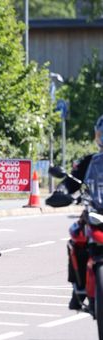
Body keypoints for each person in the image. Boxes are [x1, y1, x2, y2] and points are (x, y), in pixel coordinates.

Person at [47, 114, 103, 311]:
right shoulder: (89, 161)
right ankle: (78, 290)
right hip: (96, 210)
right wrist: (62, 192)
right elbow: (71, 181)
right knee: (76, 236)